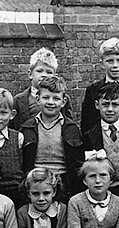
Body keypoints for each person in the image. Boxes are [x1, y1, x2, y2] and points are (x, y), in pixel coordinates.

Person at [20, 75, 85, 203]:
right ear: (38, 99)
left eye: (56, 98)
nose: (50, 102)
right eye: (46, 97)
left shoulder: (71, 128)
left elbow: (77, 163)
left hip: (63, 183)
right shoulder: (27, 128)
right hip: (36, 181)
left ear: (64, 101)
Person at [82, 81, 119, 199]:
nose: (110, 109)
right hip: (101, 192)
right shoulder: (89, 136)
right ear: (97, 105)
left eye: (115, 104)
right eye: (105, 104)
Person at [10, 47, 73, 131]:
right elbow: (12, 127)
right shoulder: (18, 100)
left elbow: (68, 125)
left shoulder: (62, 99)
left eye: (49, 72)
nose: (44, 75)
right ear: (30, 74)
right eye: (39, 71)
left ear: (55, 75)